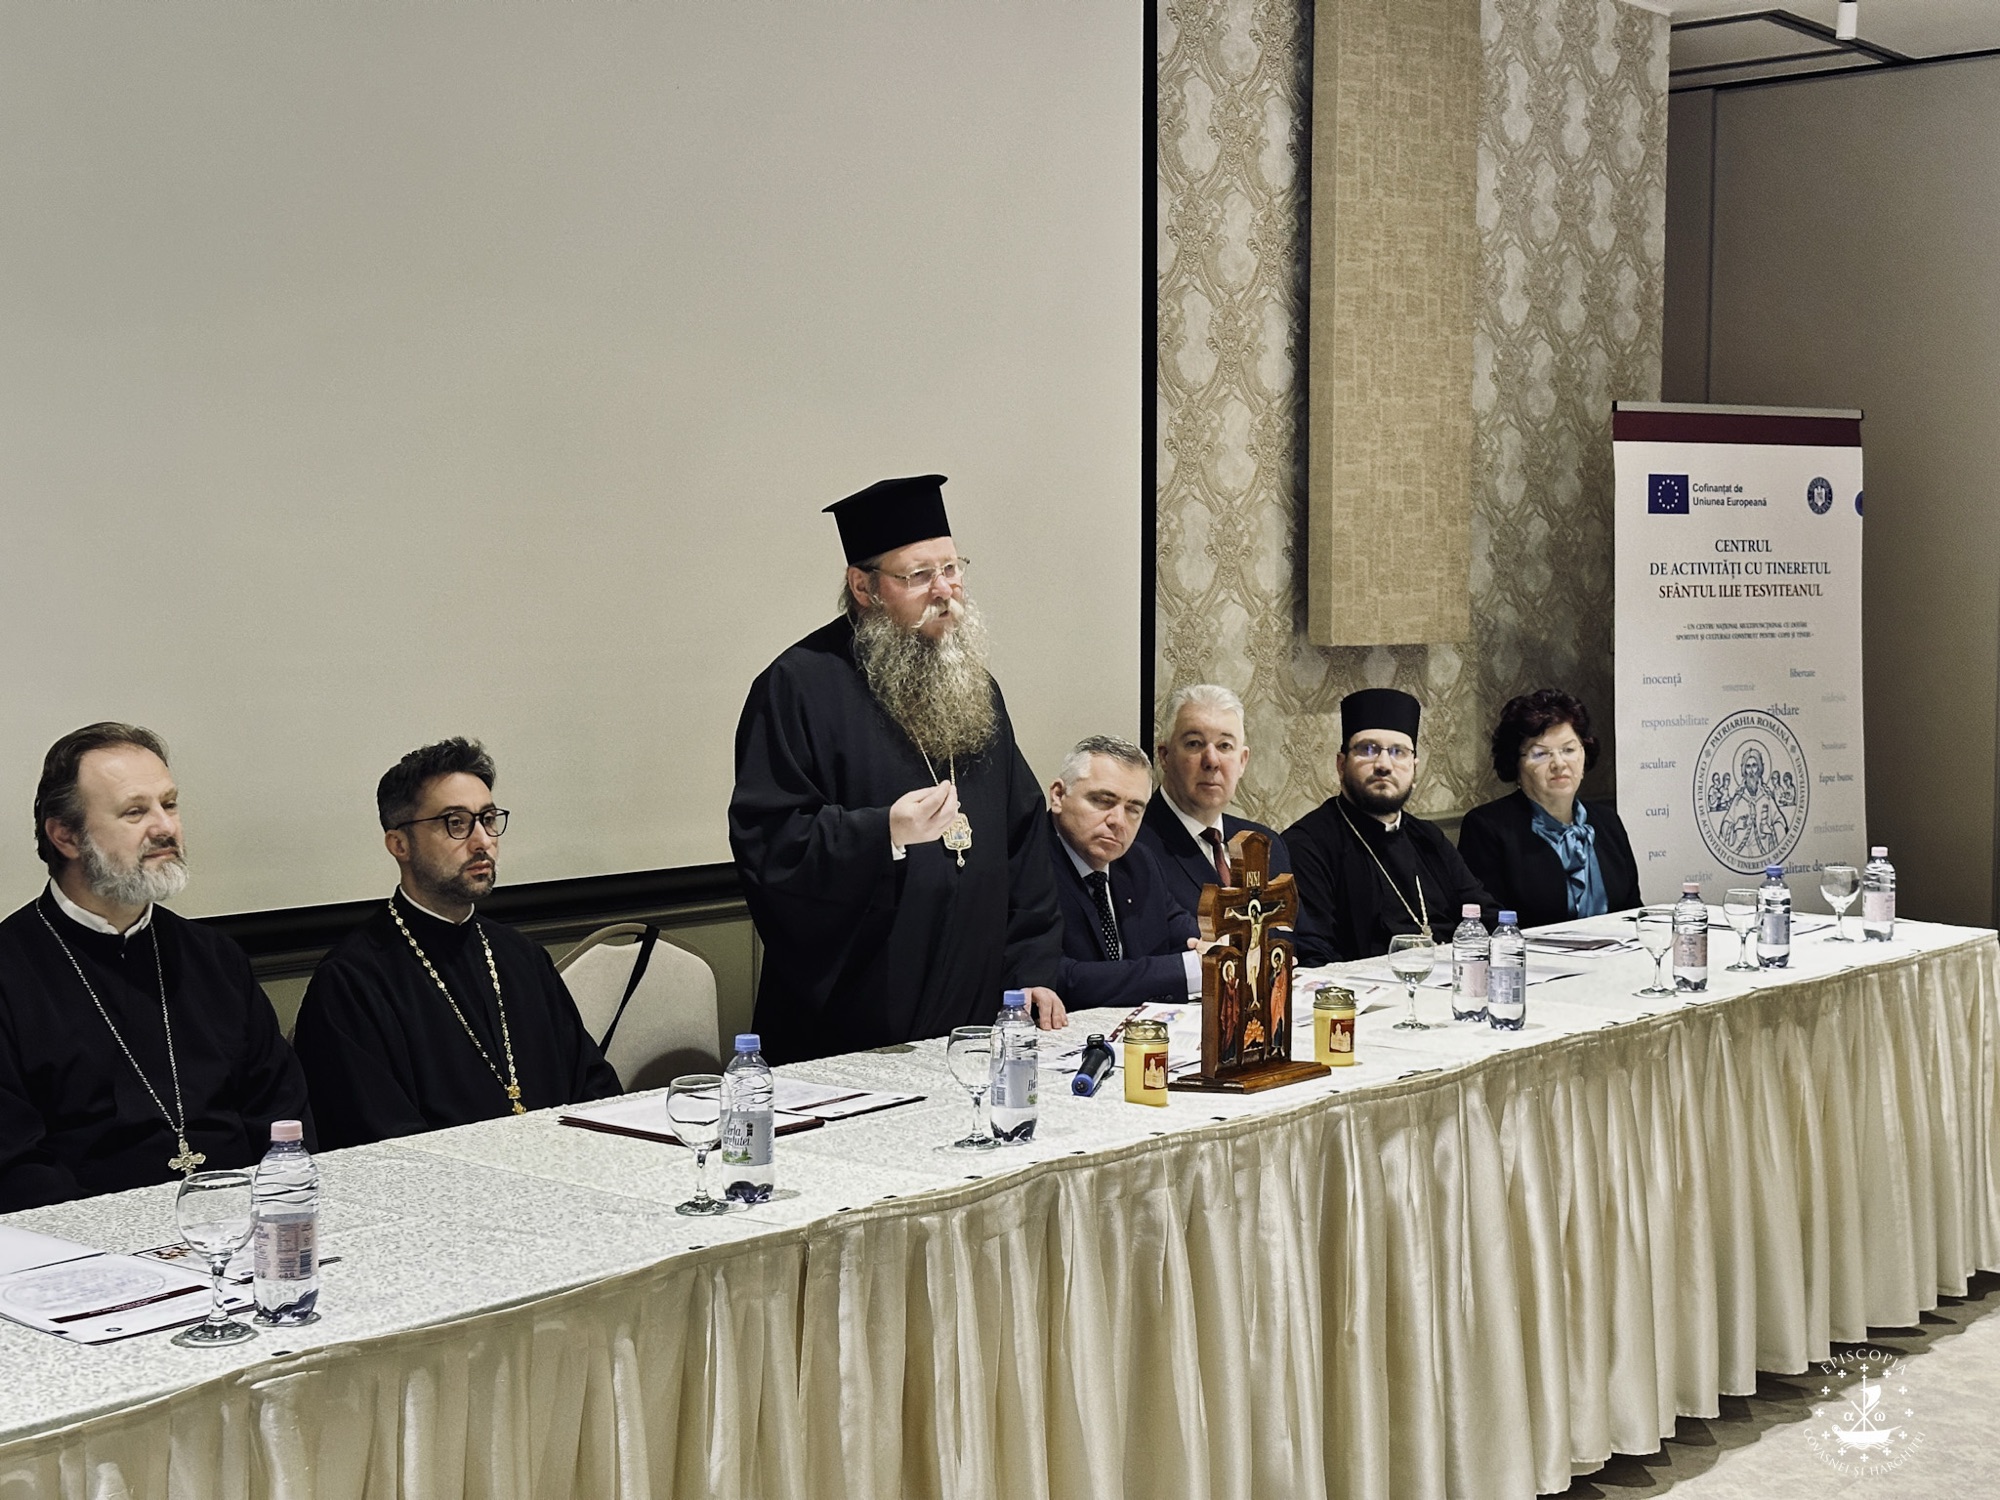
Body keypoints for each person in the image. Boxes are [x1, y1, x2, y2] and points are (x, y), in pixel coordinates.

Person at [729, 474, 1066, 1064]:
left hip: (975, 1021)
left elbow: (1024, 840)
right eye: (918, 575)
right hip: (849, 1032)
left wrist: (1032, 970)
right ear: (863, 586)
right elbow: (771, 843)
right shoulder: (797, 686)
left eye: (952, 568)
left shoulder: (976, 689)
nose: (945, 590)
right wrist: (881, 832)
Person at [0, 723, 313, 1211]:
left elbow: (281, 1115)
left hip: (242, 1224)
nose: (165, 827)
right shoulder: (10, 970)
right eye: (135, 812)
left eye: (169, 804)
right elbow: (16, 1164)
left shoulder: (215, 957)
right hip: (90, 1240)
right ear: (65, 836)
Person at [291, 739, 620, 1148]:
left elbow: (595, 1093)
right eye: (456, 823)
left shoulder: (522, 958)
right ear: (399, 844)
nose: (482, 841)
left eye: (488, 819)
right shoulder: (351, 983)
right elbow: (379, 1147)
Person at [1282, 688, 1493, 961]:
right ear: (1341, 765)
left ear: (1414, 768)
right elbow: (1315, 956)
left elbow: (1485, 916)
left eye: (1398, 752)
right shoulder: (1306, 844)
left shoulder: (1429, 838)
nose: (1383, 764)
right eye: (1367, 749)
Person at [1134, 683, 1329, 962]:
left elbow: (1309, 947)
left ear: (1242, 761)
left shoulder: (1266, 843)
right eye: (1194, 743)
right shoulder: (1134, 845)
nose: (1212, 760)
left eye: (1225, 746)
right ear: (1165, 756)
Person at [1456, 689, 1640, 928]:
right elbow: (1491, 925)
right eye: (1541, 754)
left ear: (1584, 754)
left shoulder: (1607, 821)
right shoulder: (1487, 827)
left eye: (1569, 750)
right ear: (1516, 764)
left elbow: (1633, 911)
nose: (1559, 764)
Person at [1046, 735, 1207, 1009]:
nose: (1118, 821)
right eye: (1102, 801)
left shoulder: (1139, 862)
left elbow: (1184, 933)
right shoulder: (1025, 863)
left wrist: (1218, 950)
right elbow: (1059, 978)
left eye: (1133, 809)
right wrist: (1188, 970)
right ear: (1059, 795)